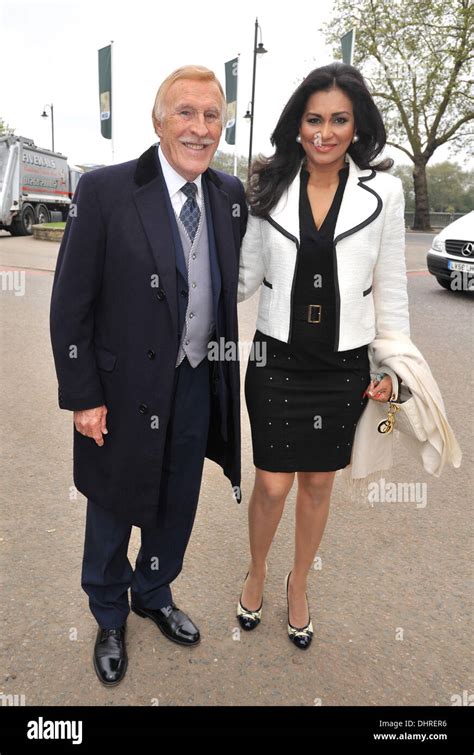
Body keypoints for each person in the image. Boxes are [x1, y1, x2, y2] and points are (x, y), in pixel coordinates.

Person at [50, 65, 247, 685]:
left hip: (195, 380)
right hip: (120, 388)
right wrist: (83, 395)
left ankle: (153, 591)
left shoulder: (228, 194)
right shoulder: (106, 190)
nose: (199, 127)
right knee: (112, 503)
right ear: (159, 122)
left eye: (211, 115)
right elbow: (70, 301)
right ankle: (109, 614)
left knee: (177, 501)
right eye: (185, 113)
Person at [236, 62, 410, 650]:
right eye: (315, 119)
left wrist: (394, 368)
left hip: (342, 367)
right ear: (298, 123)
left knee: (316, 485)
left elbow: (391, 287)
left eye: (339, 119)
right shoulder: (268, 186)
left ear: (356, 126)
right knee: (272, 486)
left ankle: (298, 582)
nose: (325, 132)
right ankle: (257, 569)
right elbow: (244, 278)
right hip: (275, 360)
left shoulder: (384, 191)